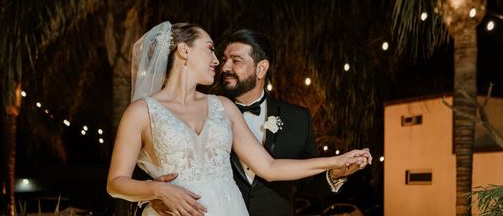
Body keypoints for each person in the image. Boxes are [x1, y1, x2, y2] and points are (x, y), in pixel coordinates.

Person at [107, 22, 372, 216]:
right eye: (211, 51)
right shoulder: (141, 111)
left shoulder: (223, 107)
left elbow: (269, 167)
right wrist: (156, 190)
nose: (217, 62)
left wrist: (336, 161)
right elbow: (115, 183)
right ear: (184, 51)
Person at [220, 29, 350, 215]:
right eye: (224, 60)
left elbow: (309, 183)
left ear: (261, 68)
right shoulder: (211, 112)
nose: (225, 67)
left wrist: (335, 174)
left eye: (236, 60)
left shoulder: (297, 118)